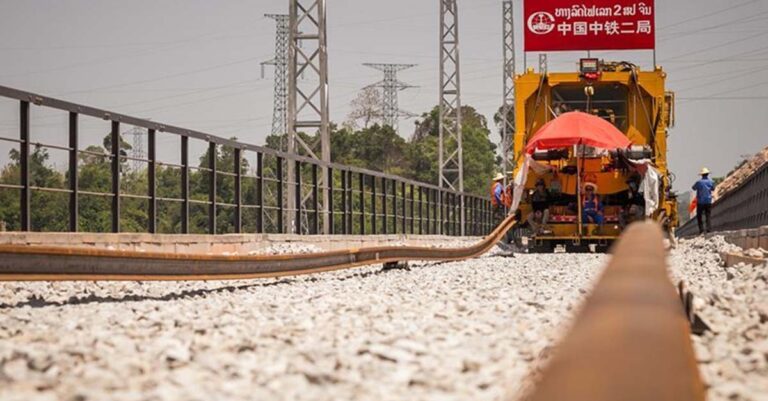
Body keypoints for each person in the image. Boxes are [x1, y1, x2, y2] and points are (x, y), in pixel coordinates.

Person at [692, 167, 715, 234]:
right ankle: (708, 229)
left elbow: (693, 188)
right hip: (708, 201)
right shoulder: (711, 182)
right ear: (707, 174)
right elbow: (713, 189)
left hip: (700, 202)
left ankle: (701, 230)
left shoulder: (699, 182)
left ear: (701, 175)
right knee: (708, 215)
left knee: (699, 216)